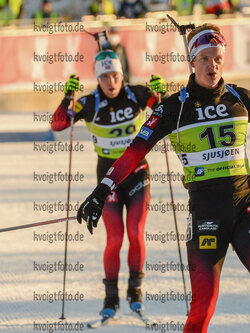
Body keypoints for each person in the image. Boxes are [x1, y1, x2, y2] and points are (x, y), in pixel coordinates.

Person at [76, 24, 250, 332]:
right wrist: (102, 191)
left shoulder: (241, 98)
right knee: (203, 306)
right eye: (206, 58)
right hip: (206, 215)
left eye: (218, 58)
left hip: (247, 207)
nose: (213, 65)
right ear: (192, 61)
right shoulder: (174, 108)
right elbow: (133, 152)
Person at [50, 50, 167, 320]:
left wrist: (163, 94)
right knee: (114, 238)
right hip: (108, 178)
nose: (111, 82)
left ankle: (135, 293)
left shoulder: (137, 94)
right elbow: (58, 124)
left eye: (115, 75)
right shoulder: (90, 103)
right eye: (104, 77)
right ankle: (110, 298)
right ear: (98, 79)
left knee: (136, 233)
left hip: (137, 173)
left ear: (122, 74)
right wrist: (67, 97)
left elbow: (167, 112)